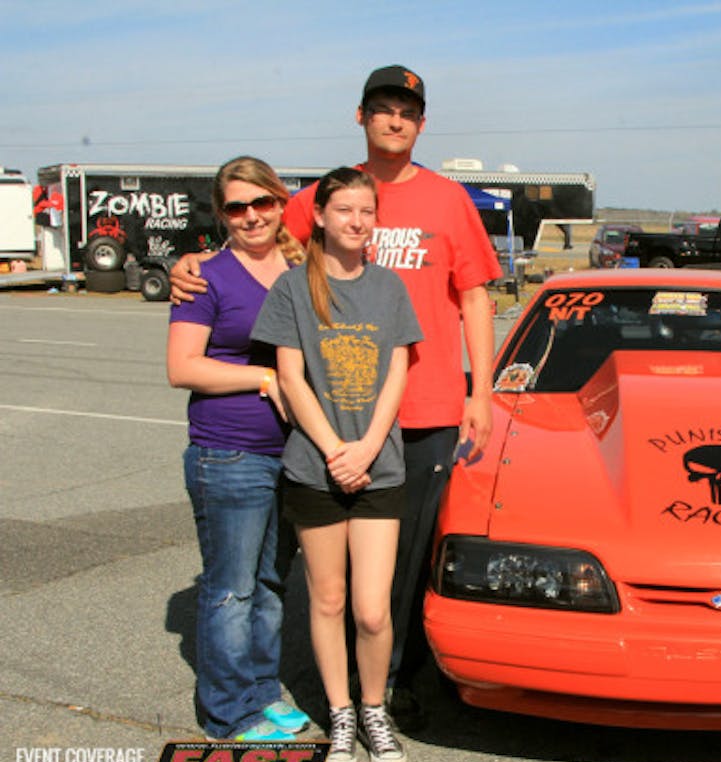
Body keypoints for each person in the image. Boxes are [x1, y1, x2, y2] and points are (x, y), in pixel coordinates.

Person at [171, 64, 501, 728]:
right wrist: (194, 262)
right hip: (329, 414)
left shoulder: (448, 200)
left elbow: (475, 297)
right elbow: (259, 236)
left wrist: (482, 392)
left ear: (422, 123)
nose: (395, 120)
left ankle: (391, 683)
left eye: (407, 111)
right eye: (383, 108)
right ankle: (291, 684)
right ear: (361, 117)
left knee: (399, 567)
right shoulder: (324, 193)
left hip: (424, 409)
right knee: (300, 570)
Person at [252, 167, 423, 762]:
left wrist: (367, 448)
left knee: (371, 609)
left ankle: (374, 708)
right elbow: (290, 377)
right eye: (345, 210)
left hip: (379, 468)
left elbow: (398, 372)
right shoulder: (292, 288)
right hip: (315, 468)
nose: (357, 221)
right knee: (327, 600)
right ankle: (341, 713)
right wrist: (333, 451)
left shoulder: (389, 288)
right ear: (320, 216)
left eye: (367, 211)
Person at [165, 156, 312, 742]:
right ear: (221, 214)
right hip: (229, 453)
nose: (251, 216)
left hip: (293, 453)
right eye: (236, 207)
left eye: (262, 202)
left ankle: (262, 691)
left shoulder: (303, 267)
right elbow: (182, 367)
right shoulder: (206, 276)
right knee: (231, 588)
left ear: (280, 202)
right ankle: (229, 713)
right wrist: (264, 378)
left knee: (272, 584)